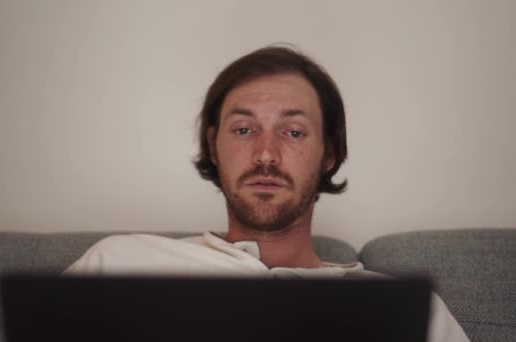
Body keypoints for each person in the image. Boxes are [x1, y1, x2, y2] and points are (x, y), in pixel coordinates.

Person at [65, 45, 469, 341]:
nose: (265, 154)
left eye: (293, 132)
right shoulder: (118, 263)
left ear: (329, 153)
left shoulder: (410, 312)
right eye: (244, 130)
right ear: (213, 145)